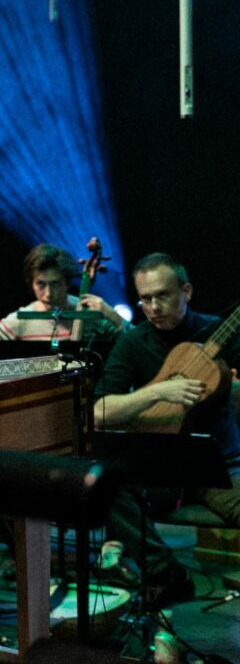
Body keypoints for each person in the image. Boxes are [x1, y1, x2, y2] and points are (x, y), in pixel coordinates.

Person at [95, 253, 240, 603]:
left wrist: (230, 388)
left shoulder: (217, 331)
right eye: (145, 298)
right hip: (159, 467)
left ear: (186, 291)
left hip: (219, 466)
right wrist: (159, 391)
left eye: (163, 295)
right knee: (103, 485)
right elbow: (99, 411)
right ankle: (167, 573)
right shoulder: (132, 343)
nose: (153, 306)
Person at [0, 243, 125, 361]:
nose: (48, 294)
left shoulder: (89, 313)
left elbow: (135, 343)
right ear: (31, 283)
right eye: (41, 284)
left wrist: (112, 315)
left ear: (67, 282)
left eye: (55, 284)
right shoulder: (20, 320)